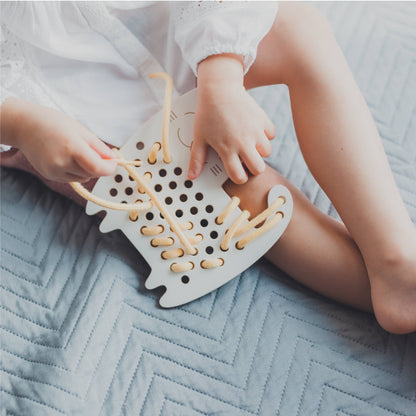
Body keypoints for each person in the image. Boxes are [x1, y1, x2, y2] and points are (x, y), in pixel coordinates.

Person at [1, 2, 415, 334]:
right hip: (60, 103)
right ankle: (397, 291)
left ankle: (395, 253)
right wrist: (21, 123)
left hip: (180, 23)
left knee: (299, 28)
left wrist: (221, 71)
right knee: (232, 190)